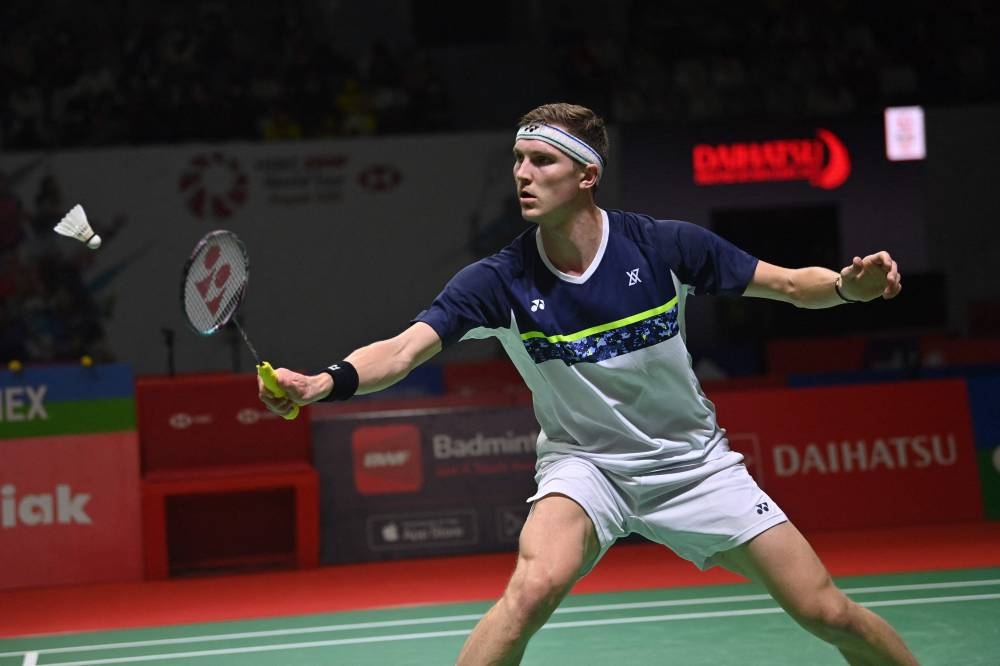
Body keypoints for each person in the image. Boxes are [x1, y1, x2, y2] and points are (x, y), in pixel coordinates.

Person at [258, 102, 917, 665]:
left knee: (824, 611)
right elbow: (403, 350)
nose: (522, 174)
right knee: (531, 589)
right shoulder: (500, 279)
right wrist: (324, 382)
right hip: (587, 467)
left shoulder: (663, 247)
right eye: (518, 160)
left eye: (542, 161)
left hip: (694, 465)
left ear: (586, 174)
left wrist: (845, 287)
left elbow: (790, 285)